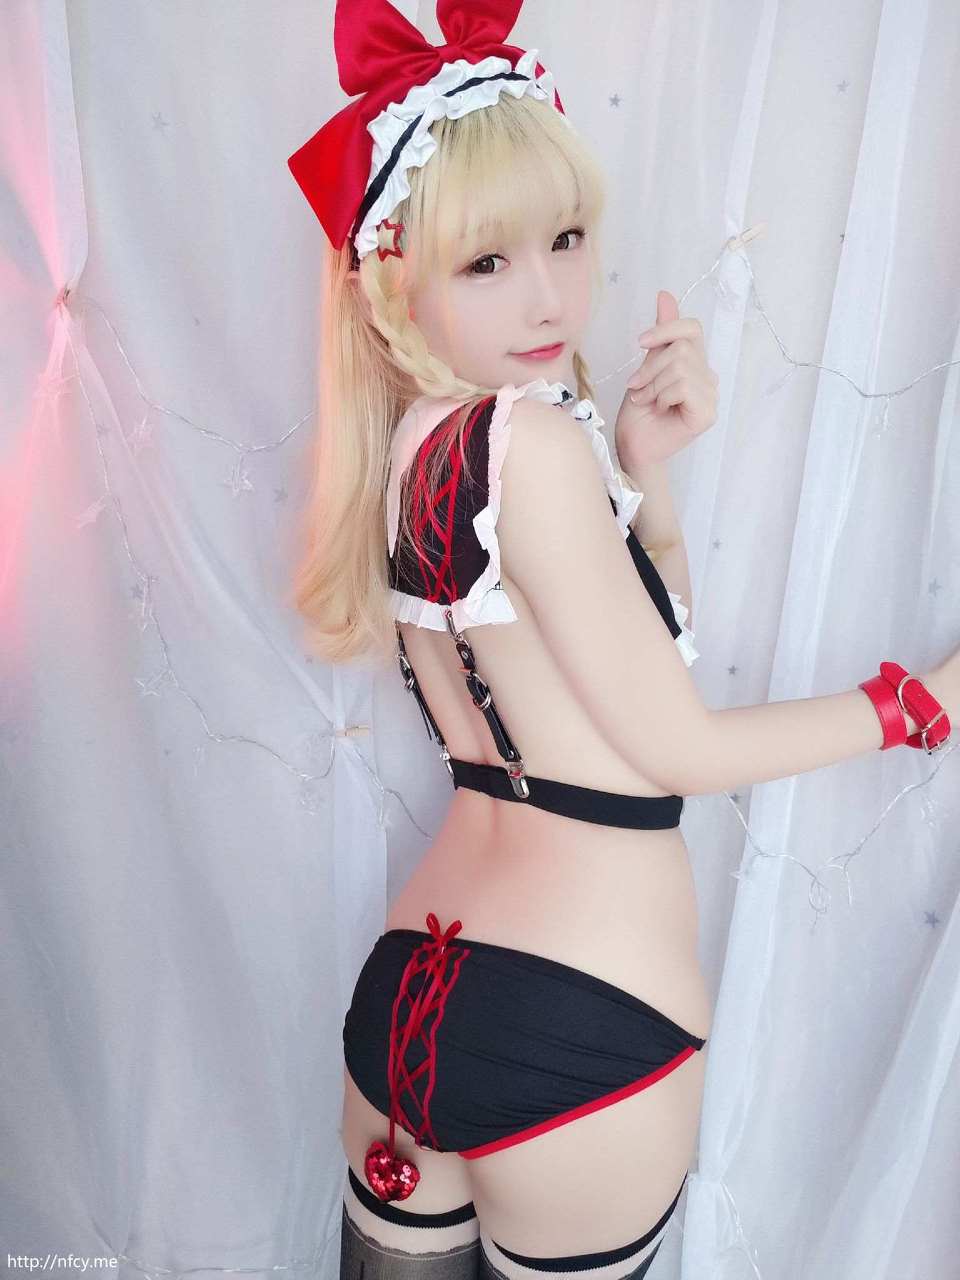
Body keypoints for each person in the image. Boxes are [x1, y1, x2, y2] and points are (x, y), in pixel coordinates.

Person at [286, 3, 959, 1276]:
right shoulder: (532, 441)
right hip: (580, 1025)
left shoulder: (413, 448)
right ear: (396, 282)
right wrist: (920, 703)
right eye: (487, 261)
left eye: (566, 237)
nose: (549, 292)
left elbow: (606, 672)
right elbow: (674, 745)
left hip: (406, 1001)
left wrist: (644, 473)